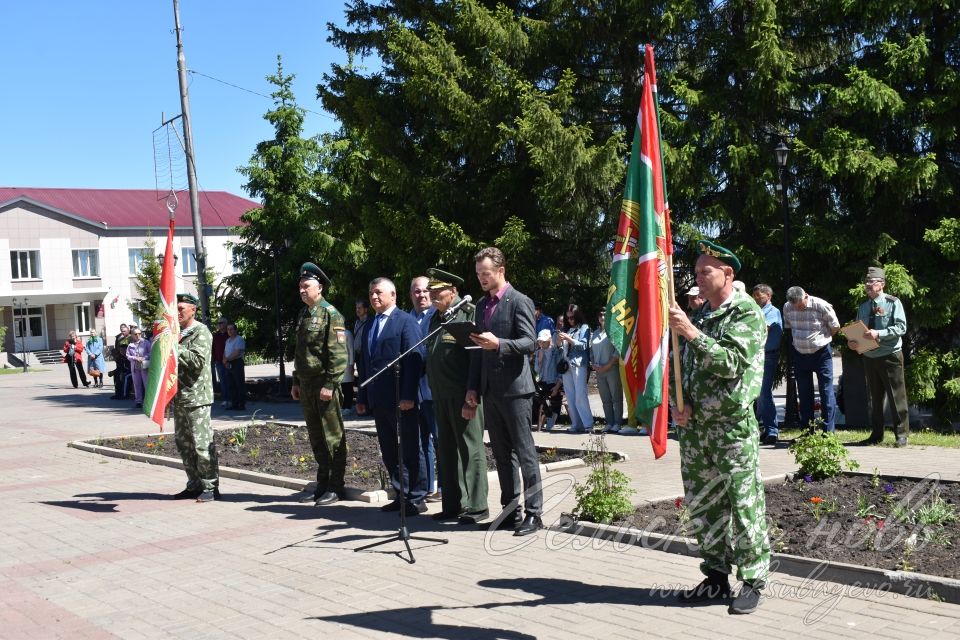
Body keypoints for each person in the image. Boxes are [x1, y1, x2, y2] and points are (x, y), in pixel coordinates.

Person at [667, 239, 770, 615]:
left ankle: (754, 578)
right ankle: (715, 576)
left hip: (731, 429)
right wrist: (682, 407)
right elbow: (688, 371)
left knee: (743, 505)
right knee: (704, 505)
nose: (698, 277)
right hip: (697, 430)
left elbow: (730, 364)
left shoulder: (745, 313)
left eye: (705, 271)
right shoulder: (703, 315)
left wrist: (690, 333)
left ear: (728, 273)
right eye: (696, 272)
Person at [467, 246, 542, 536]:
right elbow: (476, 350)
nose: (481, 279)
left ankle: (534, 514)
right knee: (501, 454)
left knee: (525, 453)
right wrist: (472, 388)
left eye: (485, 274)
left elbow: (529, 342)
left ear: (500, 270)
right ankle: (510, 512)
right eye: (477, 274)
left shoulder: (519, 301)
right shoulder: (481, 306)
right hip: (490, 390)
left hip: (516, 389)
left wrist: (498, 343)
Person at [423, 268, 490, 524]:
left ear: (452, 291)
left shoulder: (468, 314)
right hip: (440, 395)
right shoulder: (436, 319)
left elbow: (476, 357)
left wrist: (471, 396)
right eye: (431, 292)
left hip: (464, 395)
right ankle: (453, 504)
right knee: (447, 450)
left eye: (437, 292)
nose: (432, 296)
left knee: (470, 449)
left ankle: (477, 505)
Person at [356, 277, 427, 515]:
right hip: (378, 399)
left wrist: (408, 395)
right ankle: (401, 493)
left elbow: (414, 360)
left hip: (401, 398)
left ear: (393, 295)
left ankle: (416, 497)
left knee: (409, 447)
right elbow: (365, 364)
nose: (374, 297)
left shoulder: (405, 322)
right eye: (371, 294)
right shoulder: (369, 325)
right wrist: (362, 397)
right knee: (389, 449)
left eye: (379, 292)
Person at [291, 262, 349, 506]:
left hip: (324, 385)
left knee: (332, 436)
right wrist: (296, 380)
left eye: (307, 286)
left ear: (320, 287)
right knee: (316, 436)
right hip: (306, 385)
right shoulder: (304, 314)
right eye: (300, 286)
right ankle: (322, 483)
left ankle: (336, 486)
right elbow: (301, 352)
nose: (302, 290)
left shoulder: (330, 314)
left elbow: (338, 355)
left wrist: (330, 383)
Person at [847, 266, 909, 447]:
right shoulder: (863, 306)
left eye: (871, 282)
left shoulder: (892, 303)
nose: (867, 285)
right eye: (866, 282)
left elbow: (901, 328)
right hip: (870, 356)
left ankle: (901, 435)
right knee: (874, 397)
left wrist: (878, 333)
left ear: (881, 284)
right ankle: (876, 434)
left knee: (896, 396)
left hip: (890, 355)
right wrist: (854, 342)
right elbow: (860, 331)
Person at [171, 293, 219, 503]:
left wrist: (174, 347)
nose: (178, 312)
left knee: (202, 443)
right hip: (180, 396)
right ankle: (194, 484)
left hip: (197, 397)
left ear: (193, 310)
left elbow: (198, 361)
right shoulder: (179, 333)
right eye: (176, 308)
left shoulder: (202, 332)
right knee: (184, 444)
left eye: (182, 308)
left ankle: (210, 486)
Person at [783, 285, 840, 432]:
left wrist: (821, 340)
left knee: (826, 392)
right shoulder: (788, 307)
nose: (798, 308)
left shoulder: (821, 305)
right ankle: (808, 432)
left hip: (821, 354)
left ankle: (828, 433)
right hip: (800, 354)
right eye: (795, 305)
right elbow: (789, 326)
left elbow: (835, 326)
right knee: (804, 393)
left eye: (800, 304)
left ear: (805, 296)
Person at [410, 275, 440, 502]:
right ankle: (427, 486)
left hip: (433, 390)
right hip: (413, 392)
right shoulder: (407, 318)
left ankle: (445, 489)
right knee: (421, 442)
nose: (421, 295)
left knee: (440, 440)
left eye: (424, 291)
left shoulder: (437, 316)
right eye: (416, 291)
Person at [751, 284, 783, 444]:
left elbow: (763, 328)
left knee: (764, 392)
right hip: (755, 356)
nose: (756, 298)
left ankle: (772, 431)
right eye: (755, 295)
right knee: (758, 393)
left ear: (769, 296)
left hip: (768, 356)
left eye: (760, 296)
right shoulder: (756, 311)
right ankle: (765, 428)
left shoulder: (773, 312)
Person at [557, 304, 593, 433]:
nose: (570, 320)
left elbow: (583, 345)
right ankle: (576, 424)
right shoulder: (567, 329)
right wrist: (559, 340)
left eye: (572, 317)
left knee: (580, 395)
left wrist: (568, 338)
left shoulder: (584, 328)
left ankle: (588, 424)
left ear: (577, 316)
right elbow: (561, 348)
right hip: (567, 366)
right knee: (570, 396)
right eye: (568, 318)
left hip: (579, 364)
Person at [591, 309, 623, 433]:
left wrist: (608, 365)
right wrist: (593, 363)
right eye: (600, 314)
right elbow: (591, 351)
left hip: (611, 369)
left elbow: (617, 351)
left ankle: (618, 423)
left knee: (616, 397)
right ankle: (609, 422)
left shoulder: (614, 331)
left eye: (605, 314)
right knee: (605, 399)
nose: (602, 316)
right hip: (599, 371)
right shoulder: (595, 333)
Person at [533, 329, 563, 432]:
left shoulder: (556, 352)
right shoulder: (538, 352)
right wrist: (540, 360)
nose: (542, 343)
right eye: (540, 341)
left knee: (553, 396)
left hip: (553, 381)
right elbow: (536, 370)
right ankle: (550, 413)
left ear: (550, 339)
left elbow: (561, 371)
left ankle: (552, 413)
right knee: (533, 395)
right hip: (542, 381)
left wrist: (557, 385)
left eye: (544, 341)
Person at [223, 323, 246, 410]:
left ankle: (241, 404)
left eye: (231, 329)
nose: (229, 331)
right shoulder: (227, 340)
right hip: (229, 363)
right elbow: (225, 352)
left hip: (237, 362)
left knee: (239, 384)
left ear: (235, 330)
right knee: (231, 384)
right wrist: (224, 360)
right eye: (228, 329)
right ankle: (234, 404)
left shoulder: (239, 339)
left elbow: (237, 352)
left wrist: (227, 359)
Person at [126, 328, 150, 408]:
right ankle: (138, 401)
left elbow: (151, 352)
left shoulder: (146, 342)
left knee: (146, 383)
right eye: (135, 334)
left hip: (144, 366)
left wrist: (144, 357)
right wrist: (135, 358)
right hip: (135, 367)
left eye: (139, 333)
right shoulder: (130, 345)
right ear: (132, 335)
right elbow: (128, 355)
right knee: (137, 384)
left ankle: (148, 401)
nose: (138, 335)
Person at [212, 318, 230, 407]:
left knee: (230, 380)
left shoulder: (229, 333)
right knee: (222, 381)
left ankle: (232, 398)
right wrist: (214, 359)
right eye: (218, 323)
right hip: (219, 362)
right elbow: (213, 348)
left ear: (226, 323)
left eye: (221, 323)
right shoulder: (215, 335)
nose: (219, 325)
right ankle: (225, 399)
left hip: (229, 361)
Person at [111, 324, 131, 399]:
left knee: (124, 375)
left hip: (129, 361)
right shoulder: (120, 339)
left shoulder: (131, 338)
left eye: (124, 331)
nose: (123, 333)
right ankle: (118, 393)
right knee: (116, 374)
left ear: (128, 330)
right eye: (122, 331)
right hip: (122, 361)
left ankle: (124, 394)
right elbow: (118, 349)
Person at [340, 328, 356, 416]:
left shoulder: (346, 333)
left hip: (346, 364)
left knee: (348, 386)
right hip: (337, 364)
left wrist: (351, 364)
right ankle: (343, 406)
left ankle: (348, 406)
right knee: (341, 387)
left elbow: (351, 349)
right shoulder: (333, 332)